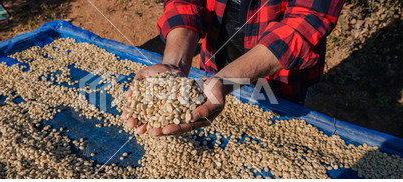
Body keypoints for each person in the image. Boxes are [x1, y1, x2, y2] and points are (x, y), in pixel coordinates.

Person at [123, 0, 344, 136]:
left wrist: (225, 80)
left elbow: (306, 23)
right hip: (215, 59)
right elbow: (185, 2)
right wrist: (175, 63)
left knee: (274, 131)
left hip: (281, 76)